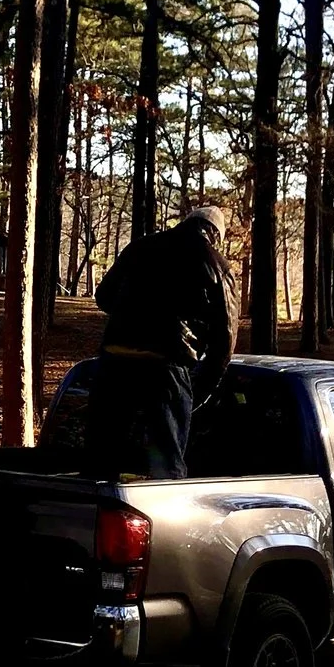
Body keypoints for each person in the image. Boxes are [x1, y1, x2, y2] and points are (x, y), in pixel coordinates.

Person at [83, 205, 232, 479]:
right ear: (214, 234)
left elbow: (104, 296)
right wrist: (201, 389)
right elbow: (225, 337)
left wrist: (133, 316)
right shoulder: (214, 263)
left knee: (101, 459)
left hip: (114, 362)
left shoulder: (141, 247)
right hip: (165, 368)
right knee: (167, 465)